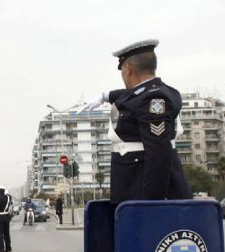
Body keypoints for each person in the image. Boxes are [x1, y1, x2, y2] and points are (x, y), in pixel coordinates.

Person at [80, 39, 191, 203]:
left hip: (141, 192)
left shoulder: (154, 100)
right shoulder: (157, 92)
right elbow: (132, 96)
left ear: (128, 68)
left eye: (122, 70)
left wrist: (149, 205)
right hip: (133, 189)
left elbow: (158, 155)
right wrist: (106, 96)